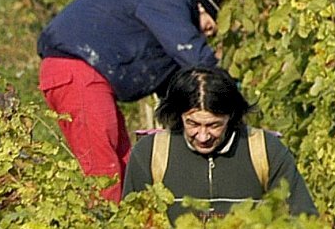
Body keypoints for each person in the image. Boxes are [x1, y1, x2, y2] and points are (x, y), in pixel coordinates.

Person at [36, 0, 226, 199]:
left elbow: (172, 85)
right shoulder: (167, 0)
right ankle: (107, 221)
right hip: (76, 70)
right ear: (201, 7)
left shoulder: (164, 16)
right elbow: (192, 53)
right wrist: (225, 91)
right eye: (208, 27)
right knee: (104, 171)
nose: (205, 35)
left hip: (84, 73)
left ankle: (127, 218)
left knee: (125, 166)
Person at [120, 67, 316, 217]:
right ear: (179, 116)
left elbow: (303, 220)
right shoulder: (150, 154)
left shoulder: (266, 150)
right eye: (193, 124)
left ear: (231, 116)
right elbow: (131, 228)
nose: (203, 136)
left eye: (214, 125)